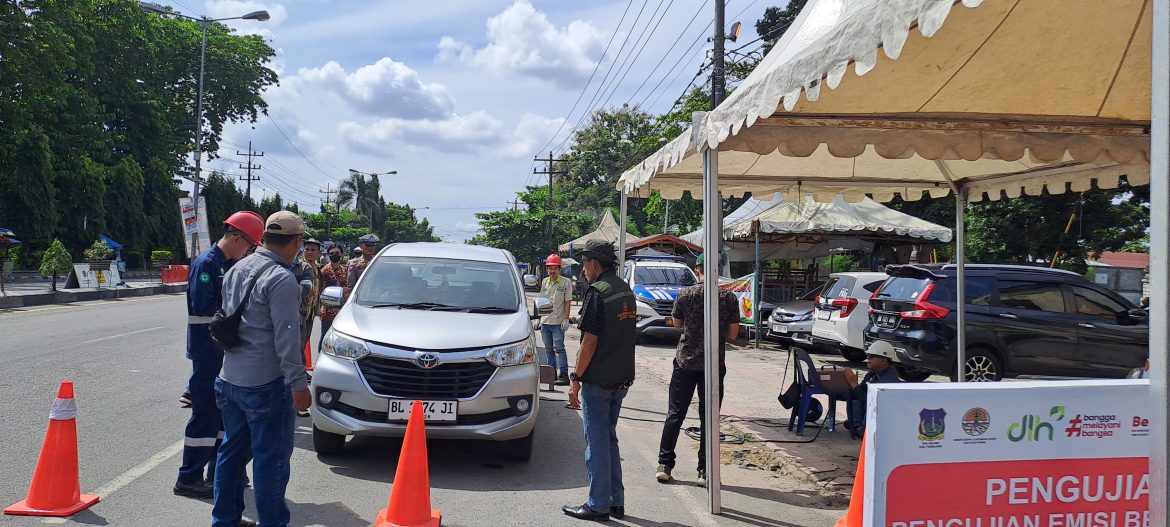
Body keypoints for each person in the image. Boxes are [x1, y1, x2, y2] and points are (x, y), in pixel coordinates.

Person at [212, 211, 311, 527]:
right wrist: (299, 385)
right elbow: (287, 337)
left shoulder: (237, 267)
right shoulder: (282, 280)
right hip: (265, 385)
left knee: (231, 454)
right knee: (271, 461)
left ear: (265, 236)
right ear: (296, 242)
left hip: (230, 379)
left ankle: (224, 520)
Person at [174, 211, 264, 500]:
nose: (249, 251)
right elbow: (205, 306)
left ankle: (221, 471)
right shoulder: (207, 264)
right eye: (249, 246)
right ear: (237, 238)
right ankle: (188, 477)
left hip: (222, 352)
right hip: (207, 351)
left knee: (225, 416)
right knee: (205, 415)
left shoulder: (229, 264)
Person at [562, 241, 637, 522]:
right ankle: (615, 501)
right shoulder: (625, 290)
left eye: (584, 264)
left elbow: (589, 342)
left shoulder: (598, 293)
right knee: (609, 439)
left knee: (596, 442)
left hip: (599, 379)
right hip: (621, 378)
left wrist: (576, 379)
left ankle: (597, 505)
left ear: (594, 263)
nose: (583, 270)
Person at [655, 252, 739, 487]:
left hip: (685, 362)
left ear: (698, 270)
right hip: (713, 364)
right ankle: (704, 470)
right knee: (709, 419)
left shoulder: (686, 294)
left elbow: (678, 324)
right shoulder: (728, 298)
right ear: (719, 271)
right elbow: (733, 335)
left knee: (675, 414)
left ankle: (665, 465)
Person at [842, 340, 902, 431]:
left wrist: (854, 384)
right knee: (853, 394)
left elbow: (870, 401)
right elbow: (861, 393)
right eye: (868, 355)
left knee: (869, 403)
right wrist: (853, 385)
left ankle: (865, 429)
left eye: (872, 356)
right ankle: (856, 423)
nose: (868, 358)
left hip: (883, 415)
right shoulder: (872, 373)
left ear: (883, 360)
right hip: (872, 409)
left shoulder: (889, 380)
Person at [540, 253, 573, 385]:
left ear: (559, 269)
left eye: (554, 268)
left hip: (558, 322)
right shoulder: (544, 282)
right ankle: (551, 374)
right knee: (548, 349)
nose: (552, 271)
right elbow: (542, 301)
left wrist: (566, 319)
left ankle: (564, 375)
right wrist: (538, 319)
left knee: (559, 348)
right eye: (549, 268)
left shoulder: (566, 283)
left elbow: (567, 302)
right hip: (545, 322)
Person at [318, 244, 349, 350]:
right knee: (325, 336)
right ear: (328, 255)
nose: (334, 255)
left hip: (342, 310)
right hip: (328, 309)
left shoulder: (345, 270)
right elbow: (320, 290)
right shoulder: (324, 271)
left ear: (341, 254)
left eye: (337, 253)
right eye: (331, 253)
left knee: (339, 338)